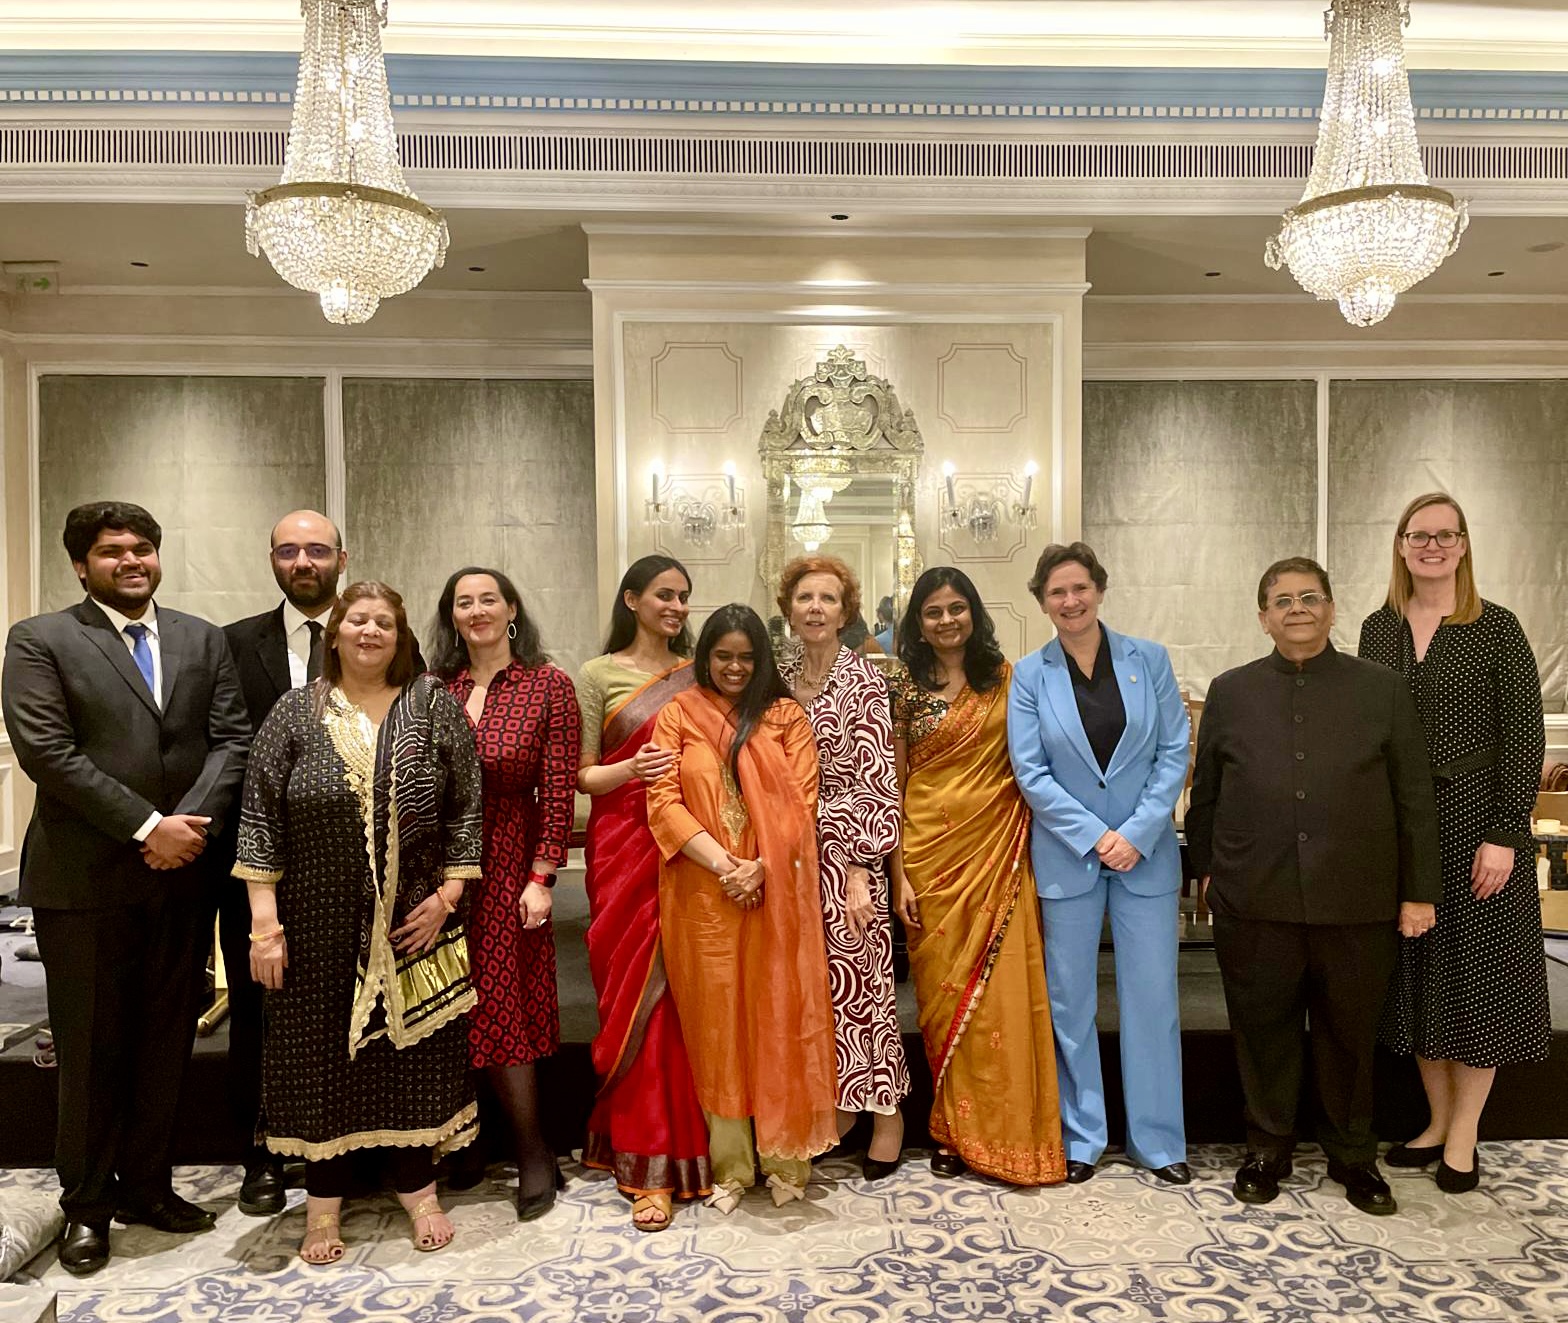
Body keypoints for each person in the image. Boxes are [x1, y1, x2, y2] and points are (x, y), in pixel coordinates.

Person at [2, 501, 250, 1276]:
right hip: (85, 881)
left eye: (142, 548)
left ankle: (149, 1185)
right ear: (82, 565)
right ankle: (86, 1208)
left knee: (165, 1042)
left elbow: (231, 737)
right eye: (112, 551)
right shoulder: (41, 639)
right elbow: (48, 751)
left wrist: (192, 824)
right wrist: (149, 827)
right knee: (90, 1048)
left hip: (184, 878)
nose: (131, 560)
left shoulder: (198, 638)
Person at [236, 582, 482, 1264]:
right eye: (358, 620)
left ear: (401, 636)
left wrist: (449, 897)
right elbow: (259, 818)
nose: (370, 631)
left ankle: (416, 1186)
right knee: (320, 1058)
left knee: (414, 1056)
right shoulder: (295, 712)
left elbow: (466, 809)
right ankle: (323, 1204)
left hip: (419, 921)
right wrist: (265, 925)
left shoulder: (432, 705)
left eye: (385, 622)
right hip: (314, 925)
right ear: (335, 632)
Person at [1187, 557, 1441, 1216]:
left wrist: (1420, 892)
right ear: (1264, 616)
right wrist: (1205, 875)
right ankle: (1267, 1147)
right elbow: (1207, 794)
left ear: (1331, 608)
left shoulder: (1382, 689)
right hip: (1254, 897)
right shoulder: (1231, 690)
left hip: (1356, 900)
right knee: (1262, 1031)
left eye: (1309, 597)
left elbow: (1413, 795)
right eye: (1282, 600)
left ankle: (1353, 1154)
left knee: (1349, 1036)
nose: (1297, 608)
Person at [1359, 492, 1550, 1194]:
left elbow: (1524, 736)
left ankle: (1465, 1134)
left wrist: (1506, 831)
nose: (1432, 545)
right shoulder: (1377, 629)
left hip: (1478, 823)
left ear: (1464, 545)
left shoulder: (1496, 627)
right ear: (1402, 545)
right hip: (1402, 829)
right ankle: (1437, 1120)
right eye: (1420, 534)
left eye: (1446, 534)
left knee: (1479, 980)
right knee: (1418, 980)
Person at [1007, 542, 1191, 1186]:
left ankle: (1160, 1141)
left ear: (1100, 590)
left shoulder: (1151, 660)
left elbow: (1174, 752)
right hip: (1069, 860)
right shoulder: (1030, 675)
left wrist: (1136, 832)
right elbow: (1031, 772)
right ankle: (1083, 1136)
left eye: (1080, 587)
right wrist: (1094, 835)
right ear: (1042, 602)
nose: (1070, 601)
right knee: (1070, 1005)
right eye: (1056, 592)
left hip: (1145, 859)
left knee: (1153, 1002)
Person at [645, 603, 837, 1212]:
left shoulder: (784, 717)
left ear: (762, 661)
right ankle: (731, 1167)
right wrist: (726, 866)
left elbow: (800, 807)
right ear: (705, 657)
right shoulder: (678, 715)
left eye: (745, 657)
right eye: (722, 656)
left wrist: (759, 867)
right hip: (703, 897)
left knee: (777, 1015)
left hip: (774, 894)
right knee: (718, 1026)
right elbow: (664, 803)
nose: (733, 667)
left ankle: (787, 1163)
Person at [888, 567, 1066, 1186]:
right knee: (942, 1001)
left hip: (998, 855)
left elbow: (1036, 763)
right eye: (932, 612)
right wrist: (898, 874)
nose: (945, 621)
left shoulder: (1009, 680)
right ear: (916, 621)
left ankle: (1005, 1130)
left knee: (1002, 997)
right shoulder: (902, 689)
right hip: (929, 860)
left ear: (974, 614)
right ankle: (949, 1126)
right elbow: (897, 784)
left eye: (956, 608)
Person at [432, 567, 580, 1220]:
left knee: (500, 1005)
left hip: (511, 858)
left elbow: (557, 789)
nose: (477, 610)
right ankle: (466, 1144)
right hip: (439, 869)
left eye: (488, 598)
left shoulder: (548, 685)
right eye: (464, 602)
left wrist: (542, 875)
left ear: (511, 608)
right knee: (444, 1006)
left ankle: (532, 1150)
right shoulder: (435, 687)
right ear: (452, 616)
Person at [219, 508, 349, 1215]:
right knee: (257, 1008)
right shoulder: (232, 644)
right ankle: (262, 1153)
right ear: (272, 560)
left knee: (349, 1001)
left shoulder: (380, 638)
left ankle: (351, 1142)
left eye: (318, 550)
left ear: (342, 557)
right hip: (257, 859)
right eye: (290, 550)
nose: (305, 561)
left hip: (354, 864)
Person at [576, 555, 712, 1231]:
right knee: (635, 1004)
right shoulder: (600, 674)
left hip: (689, 845)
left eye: (685, 596)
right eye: (664, 594)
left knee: (686, 1004)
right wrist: (632, 764)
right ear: (631, 598)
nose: (677, 606)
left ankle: (698, 1148)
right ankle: (644, 1156)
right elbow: (582, 777)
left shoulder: (701, 673)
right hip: (624, 847)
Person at [776, 556, 909, 1180]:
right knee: (810, 991)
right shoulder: (775, 675)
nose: (815, 608)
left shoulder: (864, 681)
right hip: (785, 858)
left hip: (846, 856)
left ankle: (887, 1115)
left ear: (846, 611)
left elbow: (879, 779)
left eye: (828, 598)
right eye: (805, 596)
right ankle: (839, 1105)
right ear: (789, 607)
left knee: (864, 993)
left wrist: (859, 868)